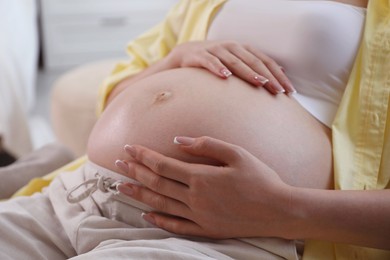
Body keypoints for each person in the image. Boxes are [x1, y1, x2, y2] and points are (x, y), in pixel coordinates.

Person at [1, 0, 389, 259]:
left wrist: (283, 208)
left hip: (220, 237)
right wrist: (173, 59)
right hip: (78, 194)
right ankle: (45, 162)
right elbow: (115, 97)